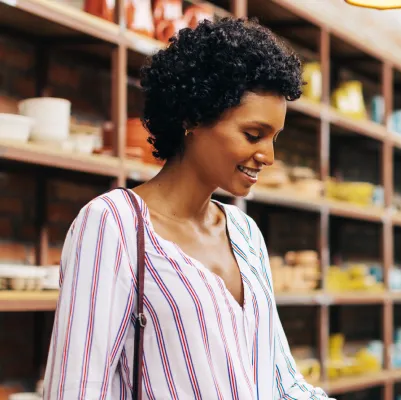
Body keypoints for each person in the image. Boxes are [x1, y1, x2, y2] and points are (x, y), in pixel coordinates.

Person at [43, 18, 332, 399]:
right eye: (253, 134)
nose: (268, 156)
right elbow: (76, 390)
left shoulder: (244, 233)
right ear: (192, 119)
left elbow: (280, 381)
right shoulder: (113, 224)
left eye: (274, 138)